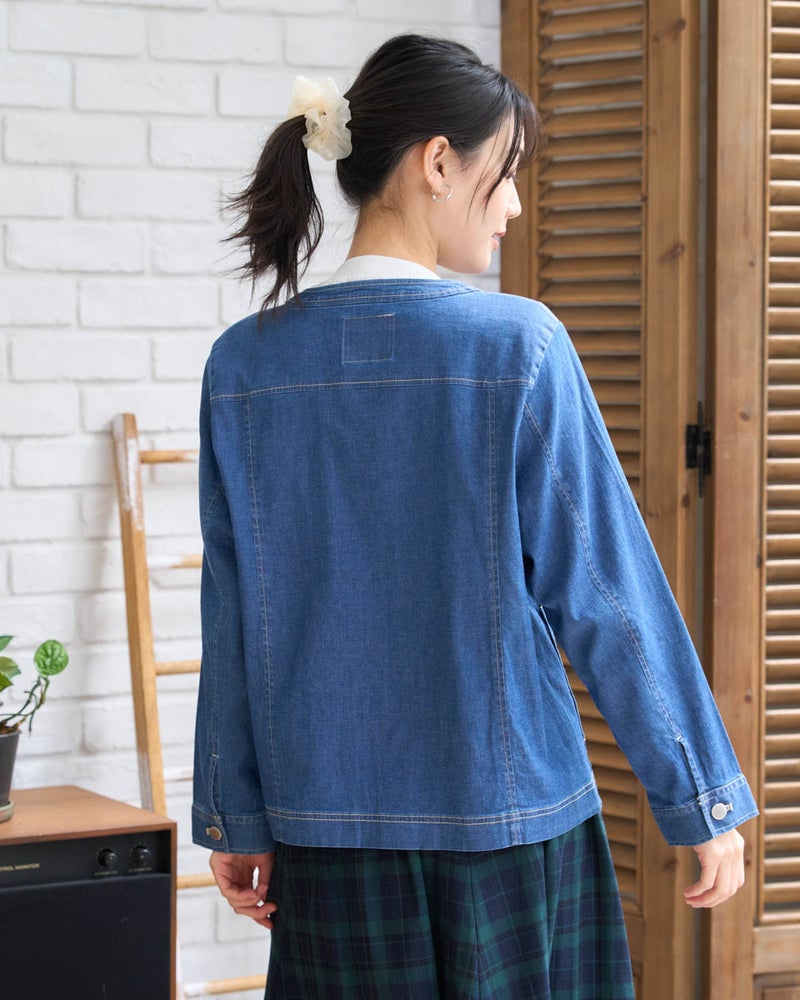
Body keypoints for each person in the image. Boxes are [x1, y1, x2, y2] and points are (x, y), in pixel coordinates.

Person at [192, 33, 758, 999]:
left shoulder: (244, 366)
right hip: (510, 829)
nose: (515, 205)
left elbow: (233, 614)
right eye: (507, 172)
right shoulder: (517, 346)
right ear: (439, 163)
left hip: (327, 837)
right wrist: (698, 793)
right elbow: (607, 591)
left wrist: (235, 814)